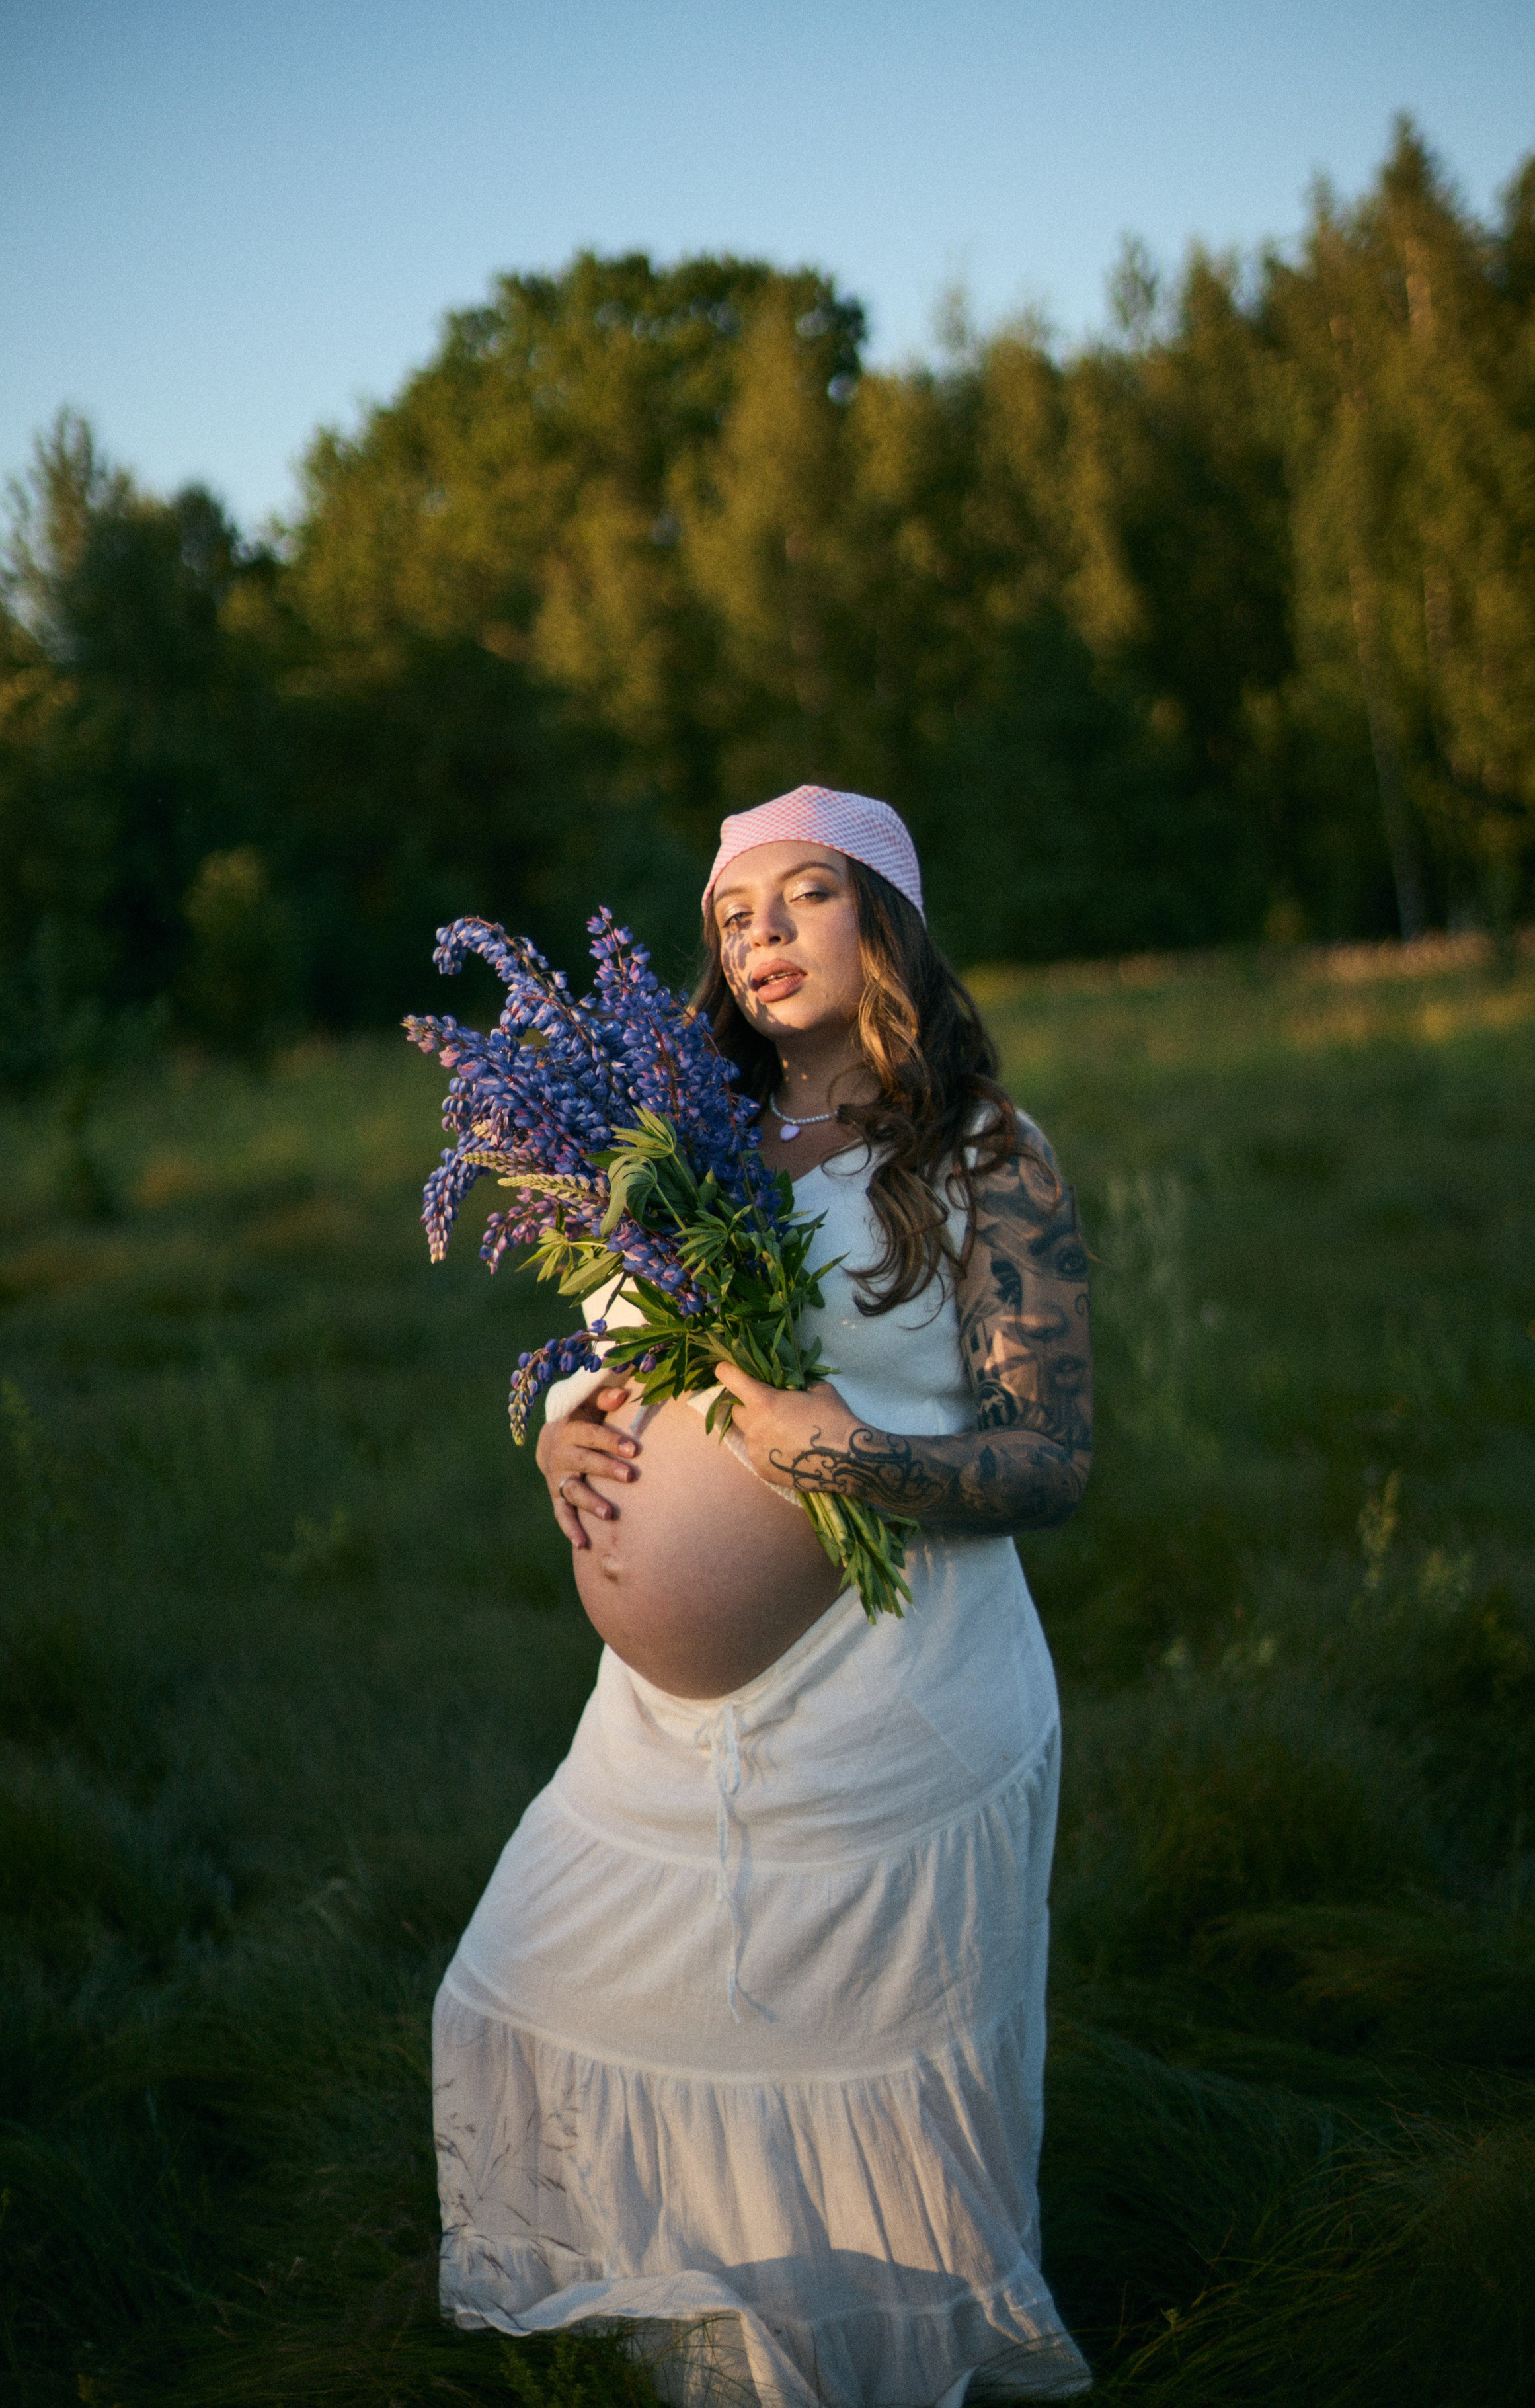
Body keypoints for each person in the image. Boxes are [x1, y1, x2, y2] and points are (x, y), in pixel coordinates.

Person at [432, 785, 1093, 2408]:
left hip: (897, 1711)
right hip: (659, 1737)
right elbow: (603, 1343)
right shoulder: (668, 1142)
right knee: (516, 1981)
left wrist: (846, 1453)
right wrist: (547, 1430)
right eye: (734, 916)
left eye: (806, 897)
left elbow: (1054, 1461)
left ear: (885, 922)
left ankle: (858, 2357)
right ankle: (703, 2340)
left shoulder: (981, 1155)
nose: (763, 938)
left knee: (847, 2075)